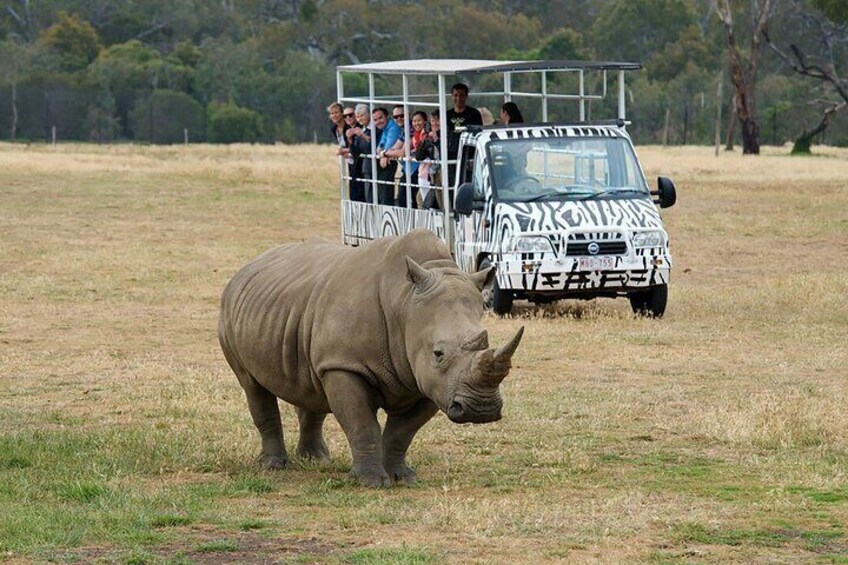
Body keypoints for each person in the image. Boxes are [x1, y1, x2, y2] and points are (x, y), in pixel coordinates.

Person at [387, 110, 428, 208]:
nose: (416, 123)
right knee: (402, 197)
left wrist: (385, 153)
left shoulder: (425, 134)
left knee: (417, 199)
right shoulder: (413, 133)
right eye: (414, 121)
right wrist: (385, 153)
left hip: (422, 171)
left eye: (419, 121)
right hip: (410, 170)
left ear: (425, 121)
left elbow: (403, 152)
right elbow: (396, 148)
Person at [446, 83, 482, 185]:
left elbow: (478, 133)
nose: (458, 98)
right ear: (452, 96)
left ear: (466, 96)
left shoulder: (474, 113)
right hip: (451, 153)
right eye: (456, 95)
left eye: (461, 95)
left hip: (468, 154)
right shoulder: (446, 114)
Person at [374, 106, 402, 205]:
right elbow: (379, 147)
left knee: (386, 193)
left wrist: (383, 154)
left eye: (380, 118)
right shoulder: (386, 128)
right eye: (375, 120)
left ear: (387, 117)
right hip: (388, 160)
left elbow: (389, 147)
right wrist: (383, 154)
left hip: (392, 162)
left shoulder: (393, 127)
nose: (378, 122)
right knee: (382, 191)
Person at [345, 104, 371, 202]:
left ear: (369, 115)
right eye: (358, 116)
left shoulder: (365, 129)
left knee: (367, 196)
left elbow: (370, 147)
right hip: (358, 167)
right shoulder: (360, 129)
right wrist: (350, 139)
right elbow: (356, 150)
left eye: (362, 115)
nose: (359, 118)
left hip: (365, 167)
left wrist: (361, 135)